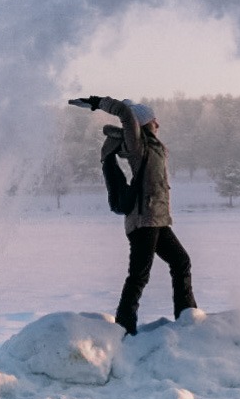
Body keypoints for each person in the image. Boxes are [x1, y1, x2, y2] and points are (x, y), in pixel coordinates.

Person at [74, 94, 197, 335]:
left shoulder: (153, 146)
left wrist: (131, 106)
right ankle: (124, 327)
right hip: (143, 220)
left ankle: (187, 317)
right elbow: (126, 115)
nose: (158, 124)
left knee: (181, 262)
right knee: (139, 275)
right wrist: (99, 103)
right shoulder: (137, 146)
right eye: (154, 120)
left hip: (158, 220)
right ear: (143, 124)